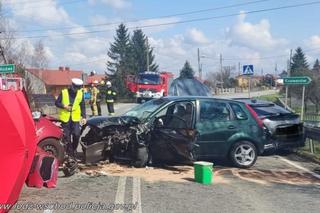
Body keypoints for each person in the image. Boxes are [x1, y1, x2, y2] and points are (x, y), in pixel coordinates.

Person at [55, 78, 86, 158]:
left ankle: (73, 149)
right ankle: (70, 154)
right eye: (75, 87)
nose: (76, 90)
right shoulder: (64, 92)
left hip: (75, 118)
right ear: (72, 85)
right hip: (65, 119)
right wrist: (64, 106)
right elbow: (57, 103)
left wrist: (84, 117)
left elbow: (82, 106)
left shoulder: (80, 93)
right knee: (67, 137)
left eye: (78, 88)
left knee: (76, 134)